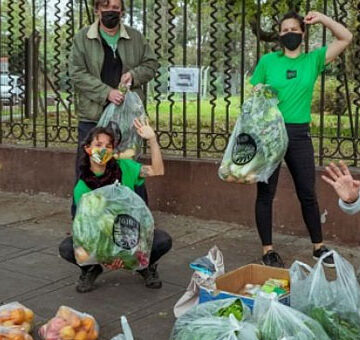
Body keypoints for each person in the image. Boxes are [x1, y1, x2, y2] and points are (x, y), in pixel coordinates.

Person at [250, 10, 353, 267]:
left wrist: (323, 20)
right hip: (270, 133)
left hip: (299, 134)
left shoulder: (313, 60)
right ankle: (268, 250)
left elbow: (346, 37)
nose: (289, 34)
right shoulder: (268, 62)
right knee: (265, 193)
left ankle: (319, 247)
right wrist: (260, 95)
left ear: (303, 33)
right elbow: (254, 95)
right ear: (279, 36)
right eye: (284, 30)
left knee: (307, 192)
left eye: (294, 30)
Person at [59, 119, 172, 293]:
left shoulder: (124, 167)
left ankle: (144, 265)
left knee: (162, 241)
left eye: (108, 146)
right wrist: (108, 256)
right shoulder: (82, 187)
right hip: (100, 240)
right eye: (98, 144)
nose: (104, 149)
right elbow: (85, 230)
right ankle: (92, 268)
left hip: (131, 232)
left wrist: (152, 140)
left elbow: (158, 170)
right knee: (68, 248)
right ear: (88, 149)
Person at [69, 0, 158, 215]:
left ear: (122, 11)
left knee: (128, 165)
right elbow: (77, 73)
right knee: (90, 165)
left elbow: (151, 64)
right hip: (93, 115)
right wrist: (105, 92)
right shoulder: (83, 38)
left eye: (116, 8)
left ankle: (138, 216)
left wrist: (134, 75)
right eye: (106, 7)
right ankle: (83, 218)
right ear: (97, 9)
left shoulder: (135, 37)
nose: (111, 11)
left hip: (126, 119)